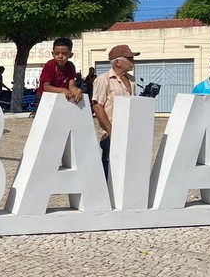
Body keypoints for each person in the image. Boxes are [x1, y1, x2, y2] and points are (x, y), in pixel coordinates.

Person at [91, 44, 139, 177]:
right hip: (110, 133)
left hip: (128, 131)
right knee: (110, 166)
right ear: (118, 62)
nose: (132, 62)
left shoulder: (132, 80)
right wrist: (110, 129)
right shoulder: (104, 79)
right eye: (129, 59)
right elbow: (97, 106)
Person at [37, 37, 82, 103]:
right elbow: (46, 87)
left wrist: (76, 90)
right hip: (44, 98)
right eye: (57, 53)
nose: (60, 56)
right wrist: (62, 90)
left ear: (70, 55)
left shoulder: (71, 66)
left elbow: (71, 86)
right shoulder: (49, 65)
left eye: (64, 53)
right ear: (53, 54)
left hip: (61, 97)